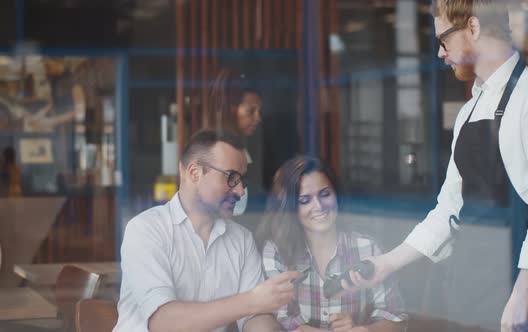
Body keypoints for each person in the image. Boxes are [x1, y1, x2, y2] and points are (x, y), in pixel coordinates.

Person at [345, 1, 528, 331]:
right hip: (470, 290)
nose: (440, 53)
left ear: (474, 27)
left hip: (521, 291)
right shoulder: (469, 111)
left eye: (444, 40)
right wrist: (385, 264)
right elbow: (449, 210)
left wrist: (524, 291)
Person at [113, 130, 300, 332]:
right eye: (231, 178)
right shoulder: (146, 230)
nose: (240, 191)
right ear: (195, 173)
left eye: (241, 180)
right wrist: (252, 301)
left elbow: (254, 317)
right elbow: (164, 322)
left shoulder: (241, 239)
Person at [256, 156, 406, 332]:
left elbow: (397, 320)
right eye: (305, 200)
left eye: (325, 194)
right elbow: (273, 319)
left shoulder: (367, 247)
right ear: (290, 207)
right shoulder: (276, 251)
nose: (319, 206)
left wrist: (362, 330)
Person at [209, 68, 263, 216]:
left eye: (259, 112)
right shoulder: (216, 151)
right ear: (231, 109)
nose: (258, 118)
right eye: (251, 111)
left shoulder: (245, 147)